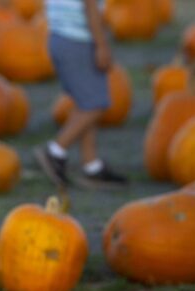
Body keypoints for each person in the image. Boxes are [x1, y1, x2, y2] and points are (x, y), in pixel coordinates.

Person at [34, 0, 128, 189]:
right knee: (95, 105)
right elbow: (90, 7)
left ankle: (91, 165)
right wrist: (102, 45)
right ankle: (55, 150)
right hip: (78, 40)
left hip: (59, 37)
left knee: (85, 102)